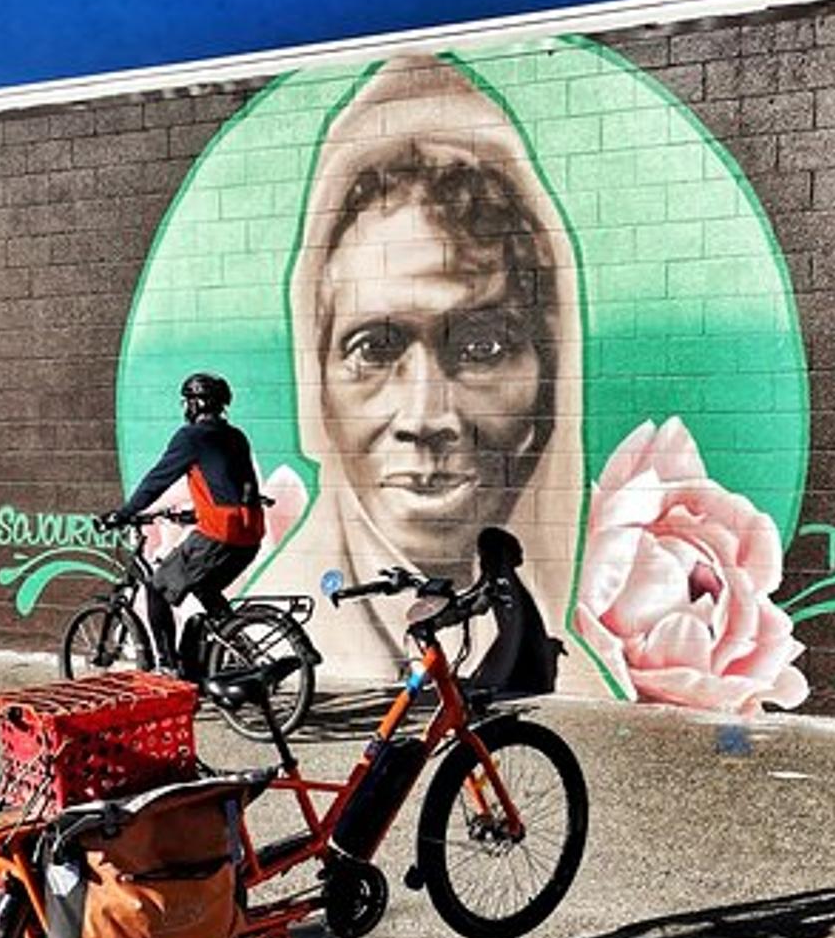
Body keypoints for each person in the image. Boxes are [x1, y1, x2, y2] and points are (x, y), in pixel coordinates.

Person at [255, 56, 584, 679]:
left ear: (551, 381)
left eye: (484, 347)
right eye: (375, 349)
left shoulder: (577, 675)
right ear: (316, 384)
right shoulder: (279, 654)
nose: (426, 417)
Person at [101, 372, 265, 661]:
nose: (186, 408)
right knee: (204, 585)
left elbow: (157, 480)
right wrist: (192, 514)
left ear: (197, 404)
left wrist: (124, 513)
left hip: (219, 532)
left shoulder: (191, 437)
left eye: (187, 401)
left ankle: (168, 665)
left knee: (157, 588)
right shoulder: (236, 437)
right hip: (250, 534)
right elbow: (232, 488)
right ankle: (240, 648)